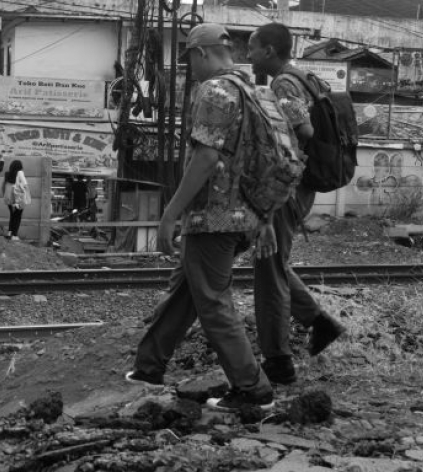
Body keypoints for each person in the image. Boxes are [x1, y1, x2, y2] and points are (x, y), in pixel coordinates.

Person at [126, 23, 283, 412]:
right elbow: (269, 158)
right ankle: (148, 366)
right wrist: (265, 217)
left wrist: (170, 214)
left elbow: (206, 157)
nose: (189, 68)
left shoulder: (214, 91)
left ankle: (252, 389)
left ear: (201, 53)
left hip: (214, 217)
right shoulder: (255, 91)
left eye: (189, 60)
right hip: (244, 214)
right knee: (187, 290)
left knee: (212, 301)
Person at [247, 22, 346, 385]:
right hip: (300, 185)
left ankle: (278, 360)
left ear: (269, 51)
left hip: (289, 187)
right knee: (273, 265)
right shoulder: (304, 78)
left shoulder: (284, 84)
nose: (248, 55)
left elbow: (303, 130)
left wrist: (279, 162)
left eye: (252, 48)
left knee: (269, 269)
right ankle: (319, 323)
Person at [2, 160, 31, 241]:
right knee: (17, 216)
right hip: (18, 199)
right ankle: (14, 235)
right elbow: (25, 184)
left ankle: (9, 233)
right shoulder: (20, 172)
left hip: (9, 199)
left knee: (12, 216)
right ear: (20, 166)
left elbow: (4, 186)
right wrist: (27, 194)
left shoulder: (7, 174)